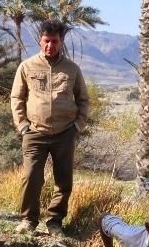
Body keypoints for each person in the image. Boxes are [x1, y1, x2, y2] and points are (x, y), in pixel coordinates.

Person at [10, 19, 90, 235]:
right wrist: (23, 126)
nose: (50, 46)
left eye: (54, 41)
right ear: (40, 40)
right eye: (46, 41)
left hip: (65, 133)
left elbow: (83, 99)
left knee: (63, 180)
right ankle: (28, 220)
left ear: (61, 41)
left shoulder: (72, 69)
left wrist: (77, 126)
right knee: (31, 177)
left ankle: (55, 221)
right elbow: (17, 98)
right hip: (34, 132)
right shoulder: (27, 67)